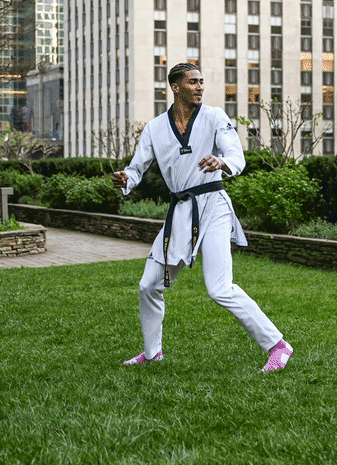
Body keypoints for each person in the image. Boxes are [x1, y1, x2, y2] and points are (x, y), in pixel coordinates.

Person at [112, 62, 293, 372]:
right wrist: (126, 179)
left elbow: (237, 155)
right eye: (192, 82)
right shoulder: (155, 128)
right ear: (176, 87)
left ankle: (278, 345)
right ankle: (152, 353)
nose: (199, 87)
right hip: (180, 211)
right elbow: (136, 167)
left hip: (214, 206)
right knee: (148, 285)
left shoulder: (214, 117)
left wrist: (221, 161)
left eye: (201, 82)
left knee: (220, 287)